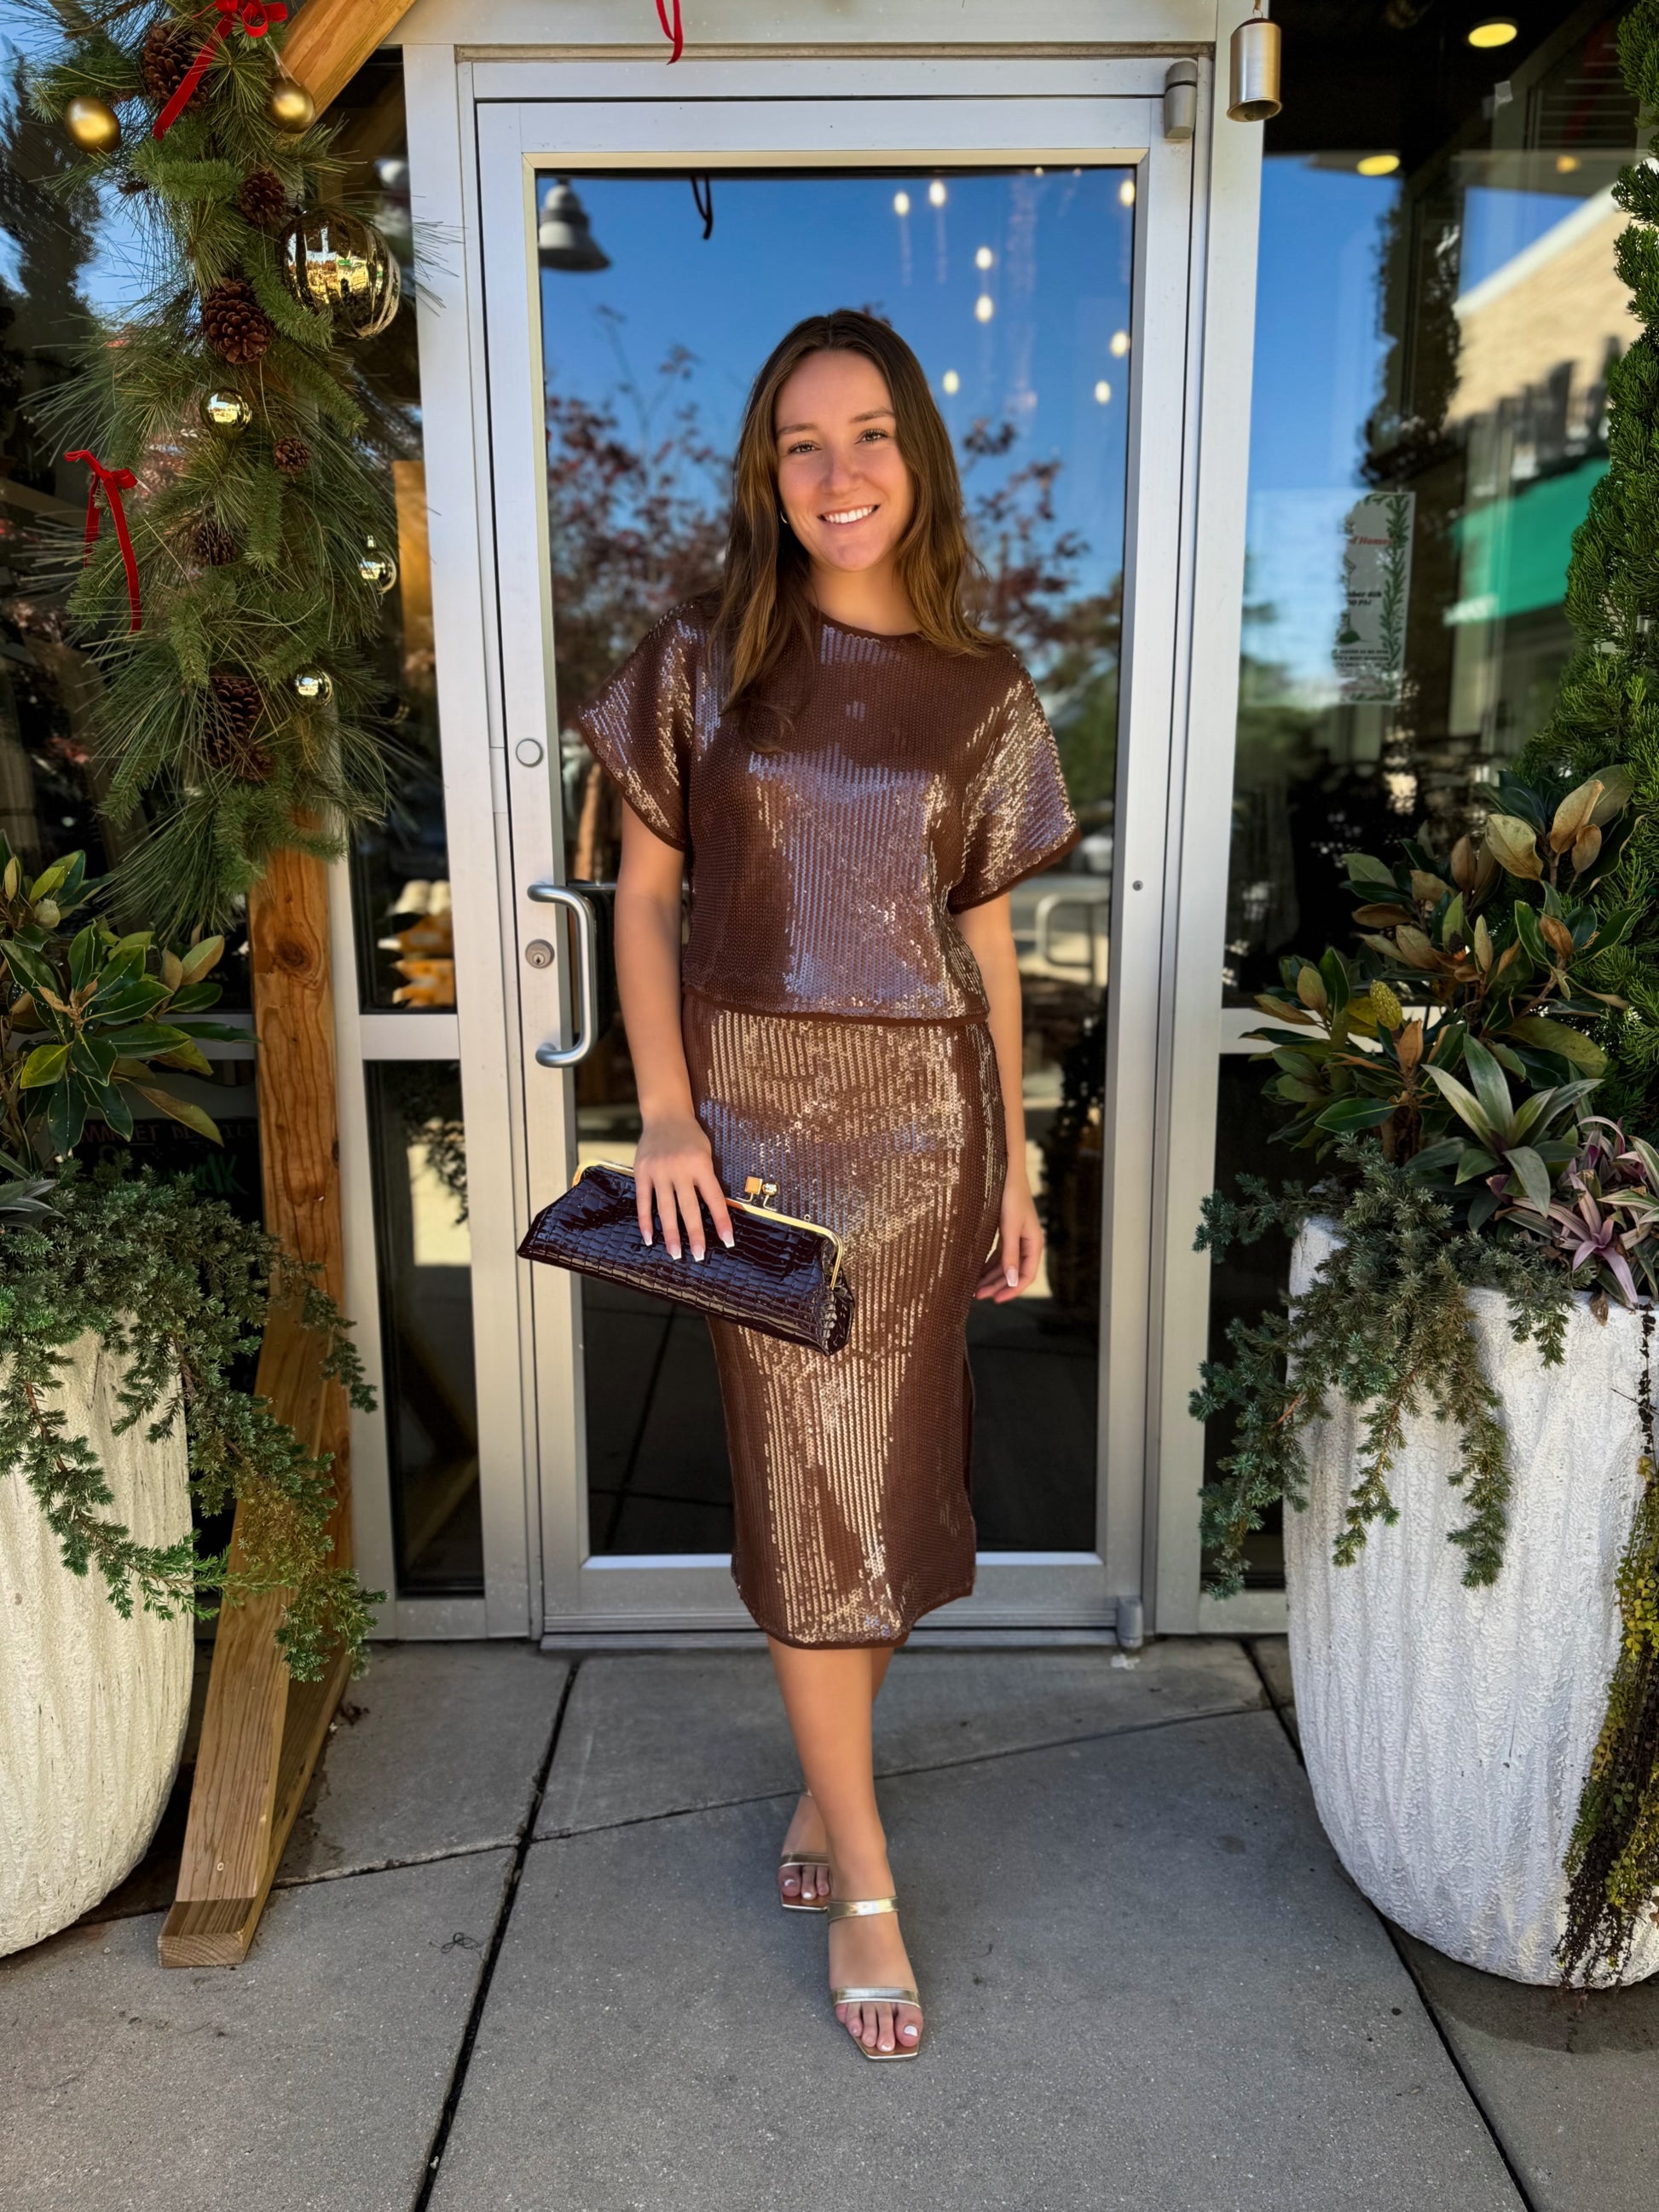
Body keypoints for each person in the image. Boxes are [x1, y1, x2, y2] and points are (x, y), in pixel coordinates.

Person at [575, 308, 1078, 2060]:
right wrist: (665, 1115)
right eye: (802, 442)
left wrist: (1015, 1160)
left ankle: (825, 1783)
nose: (838, 470)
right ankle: (864, 1872)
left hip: (928, 1129)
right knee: (804, 1498)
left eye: (868, 435)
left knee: (895, 1488)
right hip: (755, 1132)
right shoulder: (699, 664)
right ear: (766, 475)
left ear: (915, 458)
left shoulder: (985, 691)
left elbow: (986, 948)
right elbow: (645, 899)